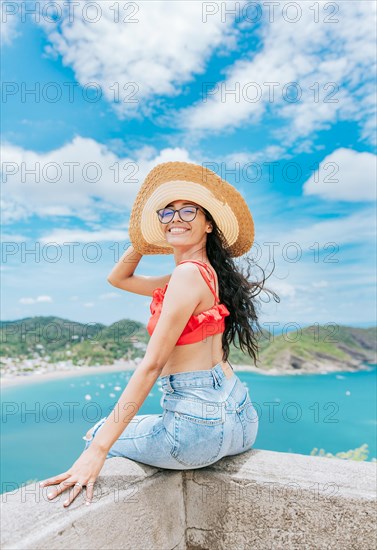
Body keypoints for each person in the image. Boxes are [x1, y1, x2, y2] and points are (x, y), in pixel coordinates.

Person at [39, 161, 277, 508]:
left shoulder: (184, 277)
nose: (176, 217)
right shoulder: (204, 274)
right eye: (167, 213)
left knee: (97, 431)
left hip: (197, 433)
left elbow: (151, 366)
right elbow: (118, 279)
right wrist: (146, 238)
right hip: (241, 420)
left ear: (209, 223)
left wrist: (98, 451)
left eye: (188, 211)